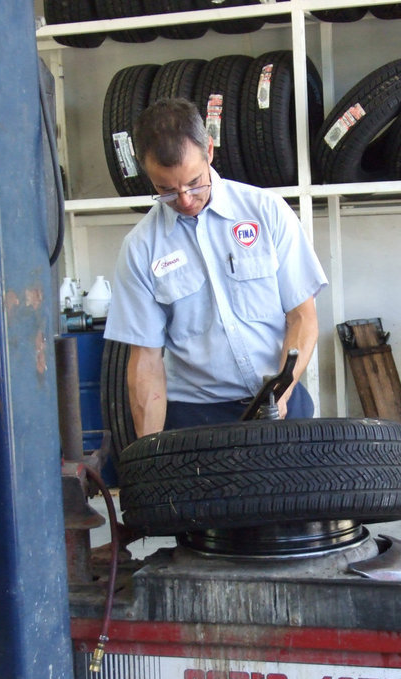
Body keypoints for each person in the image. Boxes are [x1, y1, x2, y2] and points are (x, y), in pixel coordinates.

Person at [104, 98, 328, 437]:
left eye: (194, 182)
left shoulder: (265, 212)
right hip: (197, 418)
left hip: (281, 402)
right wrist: (147, 456)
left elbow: (302, 316)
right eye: (165, 190)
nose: (183, 199)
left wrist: (281, 393)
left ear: (209, 149)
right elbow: (146, 361)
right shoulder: (140, 248)